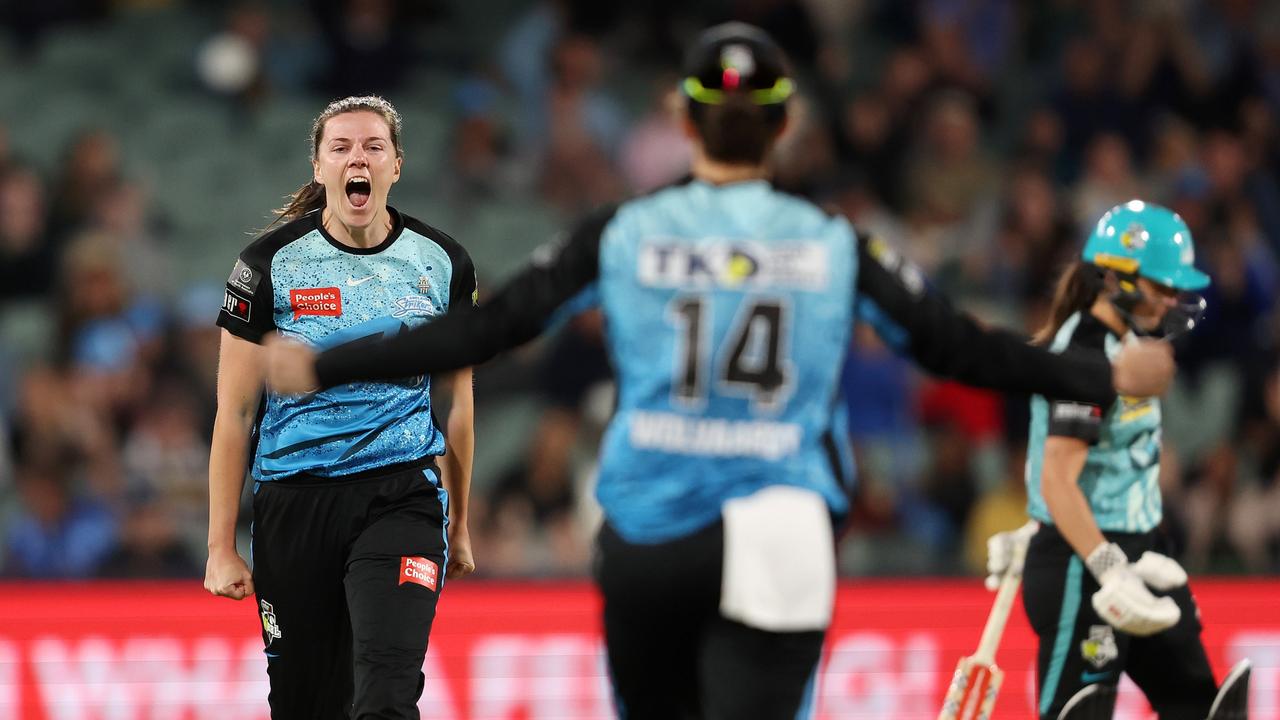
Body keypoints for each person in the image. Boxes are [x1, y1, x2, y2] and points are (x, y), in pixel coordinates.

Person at [266, 27, 1175, 720]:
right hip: (781, 526)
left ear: (682, 115)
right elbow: (959, 348)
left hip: (652, 532)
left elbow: (486, 329)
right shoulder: (830, 240)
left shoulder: (625, 230)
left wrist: (327, 360)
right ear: (784, 122)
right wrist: (1104, 376)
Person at [203, 95, 477, 719]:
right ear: (320, 167)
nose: (359, 158)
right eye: (342, 147)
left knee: (386, 688)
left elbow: (456, 397)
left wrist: (458, 519)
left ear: (397, 166)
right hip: (294, 505)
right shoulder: (266, 267)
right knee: (307, 704)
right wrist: (220, 544)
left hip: (401, 496)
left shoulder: (443, 263)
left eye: (374, 146)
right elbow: (235, 413)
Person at [986, 201, 1246, 719]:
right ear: (1117, 276)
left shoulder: (1126, 344)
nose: (1173, 298)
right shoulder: (1085, 354)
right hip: (1085, 568)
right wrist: (1107, 566)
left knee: (1200, 707)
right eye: (1163, 285)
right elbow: (1056, 477)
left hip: (1140, 557)